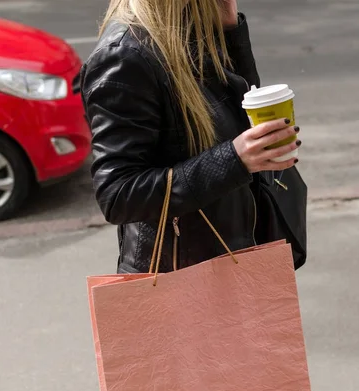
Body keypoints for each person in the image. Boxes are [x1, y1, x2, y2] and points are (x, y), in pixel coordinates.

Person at [80, 0, 307, 273]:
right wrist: (235, 160)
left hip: (232, 255)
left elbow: (239, 115)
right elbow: (118, 195)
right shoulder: (123, 56)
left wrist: (230, 31)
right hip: (182, 277)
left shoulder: (188, 27)